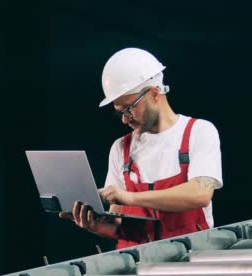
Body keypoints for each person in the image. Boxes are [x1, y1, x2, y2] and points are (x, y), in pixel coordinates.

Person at [60, 47, 223, 249]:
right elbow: (121, 225)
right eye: (120, 112)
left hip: (190, 259)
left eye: (129, 109)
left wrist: (131, 197)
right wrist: (96, 226)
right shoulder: (121, 148)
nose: (124, 119)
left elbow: (200, 194)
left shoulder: (199, 131)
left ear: (154, 94)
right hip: (137, 267)